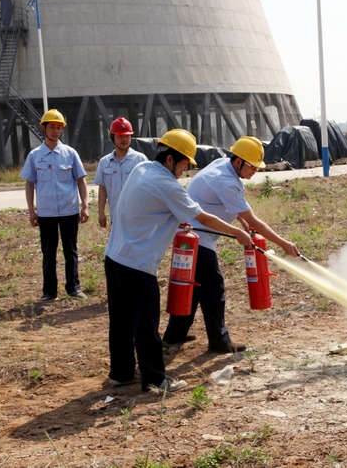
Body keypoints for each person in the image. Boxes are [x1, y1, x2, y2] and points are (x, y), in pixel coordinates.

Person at [104, 129, 253, 391]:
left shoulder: (142, 169)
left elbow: (153, 208)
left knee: (121, 320)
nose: (185, 171)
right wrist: (237, 232)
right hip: (137, 264)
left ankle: (122, 372)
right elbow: (203, 217)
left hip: (115, 256)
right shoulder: (167, 184)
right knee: (146, 322)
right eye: (185, 164)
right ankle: (155, 379)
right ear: (171, 159)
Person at [163, 136, 300, 353]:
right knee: (213, 287)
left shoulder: (222, 165)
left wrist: (242, 221)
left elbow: (230, 206)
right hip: (197, 237)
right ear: (238, 162)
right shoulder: (226, 182)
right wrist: (283, 244)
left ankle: (174, 335)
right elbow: (254, 219)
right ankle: (219, 341)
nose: (255, 170)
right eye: (252, 166)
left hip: (187, 234)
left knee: (194, 285)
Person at [20, 109, 89, 303]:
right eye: (52, 127)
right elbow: (29, 183)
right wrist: (31, 210)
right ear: (43, 128)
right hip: (46, 213)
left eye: (59, 127)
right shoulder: (35, 156)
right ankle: (49, 292)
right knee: (48, 253)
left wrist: (85, 205)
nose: (56, 131)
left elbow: (81, 180)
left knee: (71, 251)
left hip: (69, 211)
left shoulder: (70, 153)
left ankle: (74, 288)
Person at [93, 117, 148, 228]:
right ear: (112, 137)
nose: (124, 139)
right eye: (120, 136)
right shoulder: (105, 162)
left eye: (127, 136)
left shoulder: (140, 159)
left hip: (137, 217)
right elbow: (102, 189)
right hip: (116, 217)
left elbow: (148, 188)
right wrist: (101, 213)